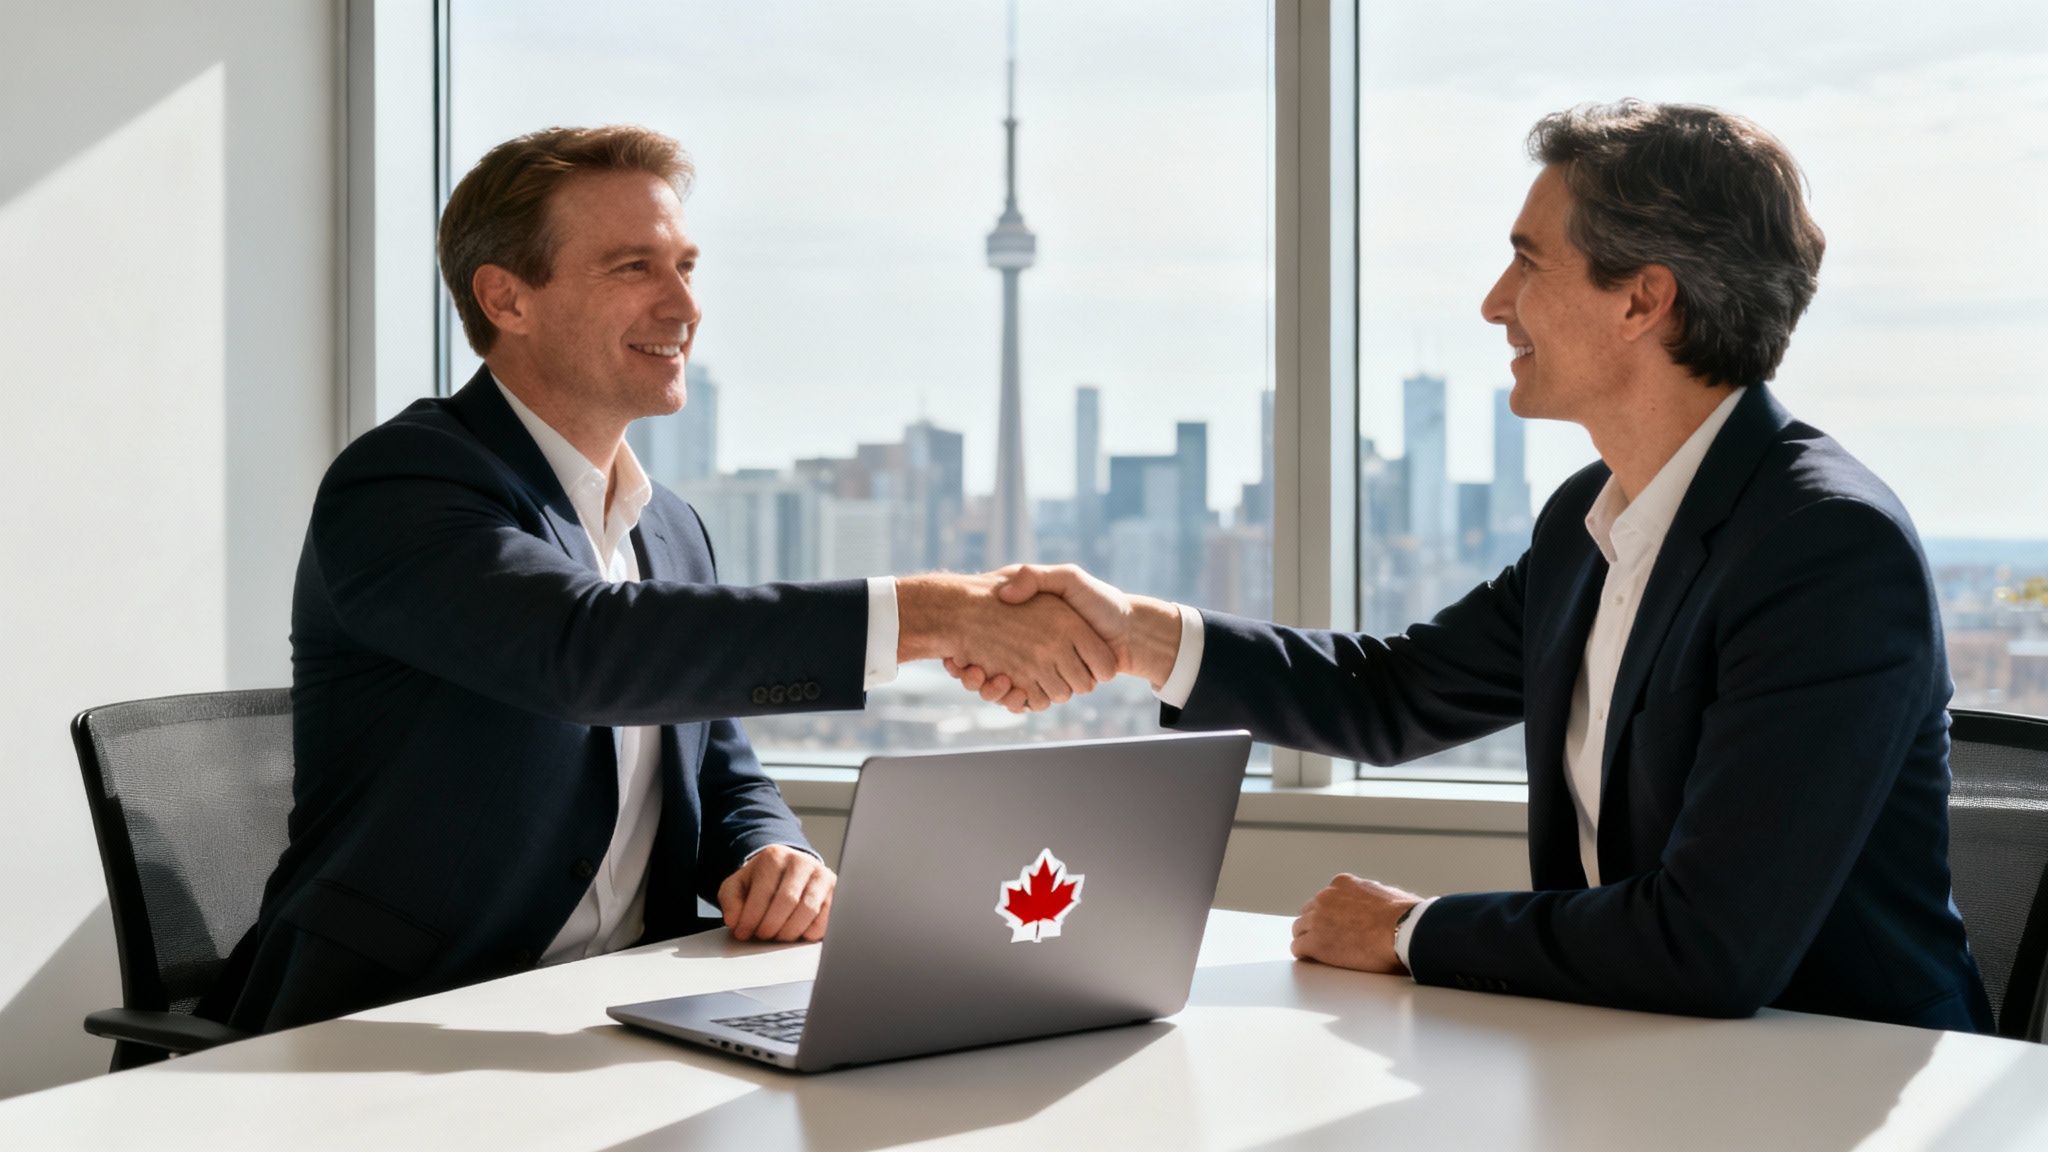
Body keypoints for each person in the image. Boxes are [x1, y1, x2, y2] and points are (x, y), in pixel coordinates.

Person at [957, 101, 1994, 1031]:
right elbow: (1390, 696)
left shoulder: (1822, 550)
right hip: (1641, 1058)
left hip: (1838, 1081)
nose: (1495, 303)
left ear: (1641, 300)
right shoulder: (1588, 523)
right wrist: (1131, 634)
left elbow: (1706, 944)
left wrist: (1412, 931)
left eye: (1527, 262)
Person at [203, 125, 1114, 1033]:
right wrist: (932, 614)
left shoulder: (669, 527)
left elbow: (723, 768)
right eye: (634, 268)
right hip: (391, 1028)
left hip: (622, 1013)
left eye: (686, 265)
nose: (685, 306)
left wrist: (771, 852)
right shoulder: (402, 484)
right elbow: (586, 652)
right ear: (506, 298)